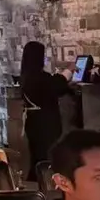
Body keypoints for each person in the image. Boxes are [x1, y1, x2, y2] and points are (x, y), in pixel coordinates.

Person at [19, 40, 72, 182]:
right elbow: (56, 86)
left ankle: (35, 183)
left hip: (33, 121)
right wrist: (69, 71)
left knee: (37, 156)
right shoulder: (38, 78)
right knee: (45, 156)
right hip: (44, 123)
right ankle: (44, 185)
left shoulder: (27, 75)